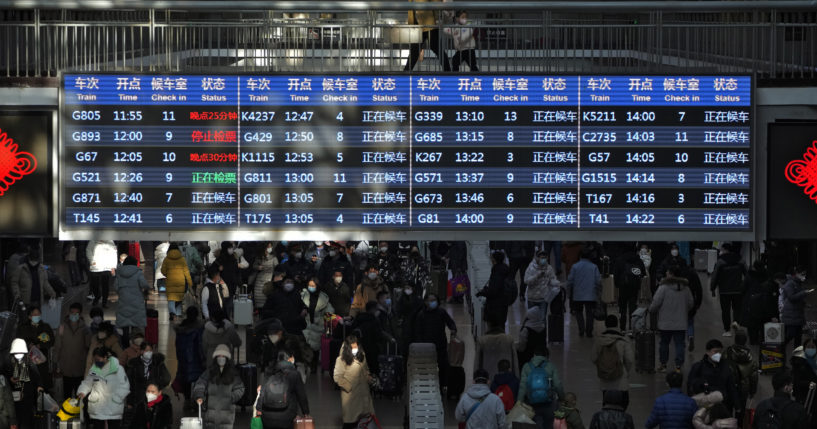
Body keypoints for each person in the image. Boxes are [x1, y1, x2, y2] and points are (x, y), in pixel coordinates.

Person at [649, 265, 695, 372]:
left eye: (668, 272)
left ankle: (663, 365)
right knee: (679, 344)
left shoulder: (663, 287)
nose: (666, 274)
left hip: (665, 323)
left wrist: (651, 310)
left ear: (671, 274)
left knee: (664, 343)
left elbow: (656, 303)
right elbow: (691, 303)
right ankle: (678, 366)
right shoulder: (686, 288)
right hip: (681, 322)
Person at [192, 344, 246, 429]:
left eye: (223, 356)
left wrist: (232, 398)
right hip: (210, 417)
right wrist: (199, 395)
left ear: (227, 358)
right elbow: (200, 384)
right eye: (219, 356)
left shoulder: (233, 374)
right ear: (215, 358)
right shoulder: (209, 372)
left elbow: (240, 388)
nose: (221, 358)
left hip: (227, 418)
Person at [77, 347, 130, 429]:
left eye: (98, 359)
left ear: (105, 357)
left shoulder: (118, 369)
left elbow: (125, 386)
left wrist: (117, 398)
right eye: (95, 359)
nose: (96, 362)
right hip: (98, 405)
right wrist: (82, 391)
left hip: (114, 405)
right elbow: (88, 383)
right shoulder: (94, 370)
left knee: (114, 426)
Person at [256, 349, 310, 429]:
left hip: (267, 415)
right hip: (287, 416)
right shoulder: (294, 374)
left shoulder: (269, 372)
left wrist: (259, 409)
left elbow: (262, 391)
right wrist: (306, 412)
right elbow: (301, 395)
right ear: (290, 359)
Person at [411, 293, 457, 387]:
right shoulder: (421, 315)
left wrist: (453, 329)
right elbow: (418, 331)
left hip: (440, 344)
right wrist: (420, 345)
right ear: (426, 302)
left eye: (434, 300)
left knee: (443, 365)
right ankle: (428, 384)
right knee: (427, 366)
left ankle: (443, 384)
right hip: (426, 346)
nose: (433, 302)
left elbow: (450, 323)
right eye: (431, 300)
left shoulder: (441, 312)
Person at [333, 335, 375, 429]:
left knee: (365, 420)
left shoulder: (361, 356)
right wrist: (349, 387)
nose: (355, 349)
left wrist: (369, 378)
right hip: (351, 398)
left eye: (356, 347)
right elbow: (337, 377)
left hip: (363, 394)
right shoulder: (341, 360)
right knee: (350, 422)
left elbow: (366, 369)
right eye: (353, 347)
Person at [591, 315, 635, 406]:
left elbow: (593, 358)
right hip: (620, 377)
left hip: (605, 377)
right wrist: (625, 370)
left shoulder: (599, 340)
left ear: (606, 325)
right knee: (623, 403)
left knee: (607, 403)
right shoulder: (623, 339)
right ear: (617, 324)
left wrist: (602, 365)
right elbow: (629, 359)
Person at [687, 339, 739, 415]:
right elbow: (690, 386)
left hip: (723, 407)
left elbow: (731, 387)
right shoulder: (698, 367)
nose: (718, 354)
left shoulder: (726, 367)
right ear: (707, 352)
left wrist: (737, 406)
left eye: (720, 352)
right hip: (704, 408)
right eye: (715, 351)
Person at [518, 345, 564, 428]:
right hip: (549, 403)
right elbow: (557, 384)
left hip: (532, 404)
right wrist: (562, 398)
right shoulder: (551, 366)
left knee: (535, 424)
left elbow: (522, 386)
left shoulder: (526, 366)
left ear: (534, 355)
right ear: (546, 356)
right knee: (549, 424)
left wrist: (519, 402)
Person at [709, 243, 747, 337]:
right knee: (737, 309)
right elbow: (747, 274)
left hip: (724, 290)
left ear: (726, 250)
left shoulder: (721, 261)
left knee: (725, 311)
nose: (720, 251)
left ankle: (727, 330)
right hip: (738, 290)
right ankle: (736, 323)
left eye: (721, 249)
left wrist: (712, 288)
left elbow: (715, 276)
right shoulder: (740, 260)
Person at [54, 302, 91, 397]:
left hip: (80, 367)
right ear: (69, 313)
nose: (73, 315)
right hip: (66, 368)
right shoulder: (62, 328)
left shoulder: (85, 329)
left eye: (76, 313)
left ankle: (79, 412)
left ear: (80, 314)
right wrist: (56, 363)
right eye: (72, 312)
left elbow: (88, 346)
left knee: (80, 396)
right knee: (67, 396)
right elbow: (57, 346)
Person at [404, 0, 451, 71]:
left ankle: (448, 72)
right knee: (415, 51)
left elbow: (436, 3)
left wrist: (438, 19)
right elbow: (411, 11)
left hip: (430, 25)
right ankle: (406, 72)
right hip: (419, 26)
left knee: (437, 49)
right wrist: (411, 24)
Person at [723, 330, 758, 426]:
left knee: (728, 407)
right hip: (743, 387)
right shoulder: (750, 357)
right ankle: (739, 425)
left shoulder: (727, 352)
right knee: (741, 410)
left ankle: (728, 425)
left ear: (735, 339)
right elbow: (754, 376)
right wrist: (752, 392)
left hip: (729, 386)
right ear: (745, 341)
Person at [5, 338, 42, 429]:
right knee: (16, 419)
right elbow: (4, 376)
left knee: (27, 420)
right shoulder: (8, 363)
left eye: (21, 353)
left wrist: (39, 387)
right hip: (14, 398)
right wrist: (10, 379)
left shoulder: (30, 363)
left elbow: (37, 377)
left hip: (28, 397)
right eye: (16, 353)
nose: (18, 355)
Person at [114, 256, 150, 345]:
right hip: (136, 302)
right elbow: (144, 284)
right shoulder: (138, 272)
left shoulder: (119, 273)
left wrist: (121, 293)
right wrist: (146, 290)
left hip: (123, 301)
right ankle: (135, 346)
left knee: (124, 326)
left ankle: (125, 346)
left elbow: (115, 286)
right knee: (136, 325)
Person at [17, 306, 54, 391]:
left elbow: (51, 341)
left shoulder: (45, 327)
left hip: (42, 361)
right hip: (28, 361)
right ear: (29, 316)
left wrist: (40, 345)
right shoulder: (23, 328)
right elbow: (19, 341)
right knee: (31, 383)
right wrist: (28, 345)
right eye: (34, 314)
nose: (37, 316)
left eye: (38, 314)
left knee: (43, 384)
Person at [567, 247, 602, 338]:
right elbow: (598, 281)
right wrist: (599, 293)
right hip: (591, 294)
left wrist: (568, 293)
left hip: (577, 295)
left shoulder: (575, 266)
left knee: (578, 312)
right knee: (590, 314)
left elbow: (570, 281)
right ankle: (589, 331)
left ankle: (581, 330)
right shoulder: (594, 267)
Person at [301, 277, 334, 370]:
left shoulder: (323, 298)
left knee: (315, 348)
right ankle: (306, 365)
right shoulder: (303, 296)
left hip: (317, 326)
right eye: (309, 285)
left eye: (313, 285)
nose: (311, 287)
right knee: (305, 347)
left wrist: (325, 317)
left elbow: (330, 310)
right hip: (306, 325)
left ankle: (314, 367)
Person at [173, 306, 205, 403]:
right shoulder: (199, 329)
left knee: (185, 379)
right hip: (195, 359)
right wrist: (203, 358)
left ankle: (187, 399)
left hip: (183, 359)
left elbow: (177, 345)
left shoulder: (181, 329)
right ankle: (196, 401)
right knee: (197, 380)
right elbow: (200, 345)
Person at [741, 269, 781, 345]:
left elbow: (743, 288)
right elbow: (769, 302)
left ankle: (754, 340)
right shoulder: (769, 283)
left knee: (753, 325)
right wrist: (773, 315)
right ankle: (761, 340)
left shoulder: (749, 276)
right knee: (760, 324)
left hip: (753, 303)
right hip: (759, 307)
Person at [125, 342, 171, 406]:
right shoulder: (134, 364)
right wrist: (129, 402)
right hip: (138, 398)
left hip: (153, 396)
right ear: (141, 351)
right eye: (146, 350)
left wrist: (157, 387)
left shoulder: (158, 362)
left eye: (150, 350)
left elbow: (166, 378)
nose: (149, 353)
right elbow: (129, 383)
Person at [612, 249, 647, 331]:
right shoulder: (638, 260)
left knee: (622, 308)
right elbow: (643, 273)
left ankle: (622, 328)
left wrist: (617, 284)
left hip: (623, 287)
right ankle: (632, 328)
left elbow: (616, 274)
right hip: (634, 287)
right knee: (633, 308)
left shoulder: (619, 259)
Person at [781, 266, 813, 349]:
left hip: (798, 314)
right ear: (796, 273)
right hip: (791, 314)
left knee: (798, 337)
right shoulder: (790, 283)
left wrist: (804, 304)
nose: (804, 276)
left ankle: (797, 355)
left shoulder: (797, 283)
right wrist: (804, 293)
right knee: (790, 334)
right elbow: (791, 297)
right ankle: (779, 348)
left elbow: (798, 298)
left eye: (805, 274)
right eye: (802, 274)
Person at [478, 251, 511, 328]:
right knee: (501, 325)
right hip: (503, 303)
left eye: (491, 258)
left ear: (494, 260)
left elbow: (494, 290)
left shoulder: (497, 271)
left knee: (494, 327)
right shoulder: (505, 269)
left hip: (495, 305)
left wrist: (483, 292)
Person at [161, 243, 193, 322]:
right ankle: (178, 314)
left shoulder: (166, 259)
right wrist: (190, 283)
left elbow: (163, 271)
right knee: (179, 299)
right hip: (180, 282)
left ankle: (173, 313)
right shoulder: (182, 259)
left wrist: (167, 274)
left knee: (171, 299)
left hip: (170, 282)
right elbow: (186, 272)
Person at [789, 342, 817, 425]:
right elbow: (797, 381)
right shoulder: (801, 362)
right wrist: (809, 383)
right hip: (806, 394)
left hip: (807, 393)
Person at [86, 240, 117, 307]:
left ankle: (104, 301)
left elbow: (114, 253)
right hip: (95, 266)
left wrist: (113, 266)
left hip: (106, 267)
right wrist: (92, 261)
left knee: (105, 285)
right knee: (94, 284)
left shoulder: (110, 241)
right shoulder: (93, 240)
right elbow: (88, 250)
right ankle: (97, 297)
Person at [253, 242, 279, 310]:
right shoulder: (259, 257)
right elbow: (254, 266)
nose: (270, 248)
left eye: (271, 247)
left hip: (269, 279)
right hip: (260, 279)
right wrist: (258, 267)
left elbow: (278, 268)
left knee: (267, 295)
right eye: (268, 247)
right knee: (258, 296)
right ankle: (258, 310)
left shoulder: (273, 258)